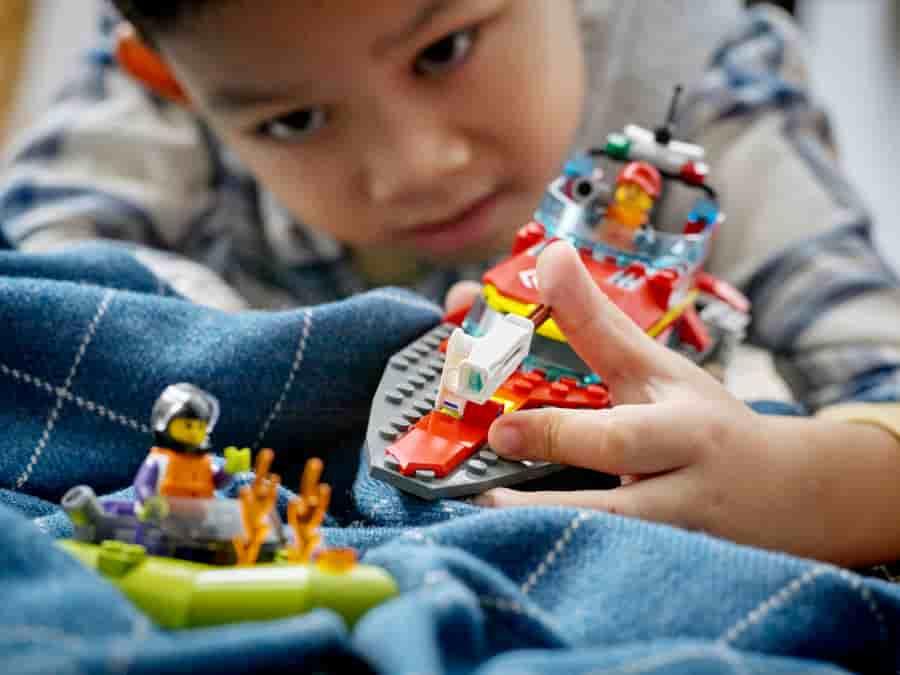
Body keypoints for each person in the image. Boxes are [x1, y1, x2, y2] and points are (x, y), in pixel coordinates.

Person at [1, 1, 898, 571]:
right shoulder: (186, 62)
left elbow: (881, 374)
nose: (414, 169)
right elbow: (45, 300)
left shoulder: (702, 77)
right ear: (170, 81)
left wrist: (808, 492)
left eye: (445, 50)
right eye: (295, 120)